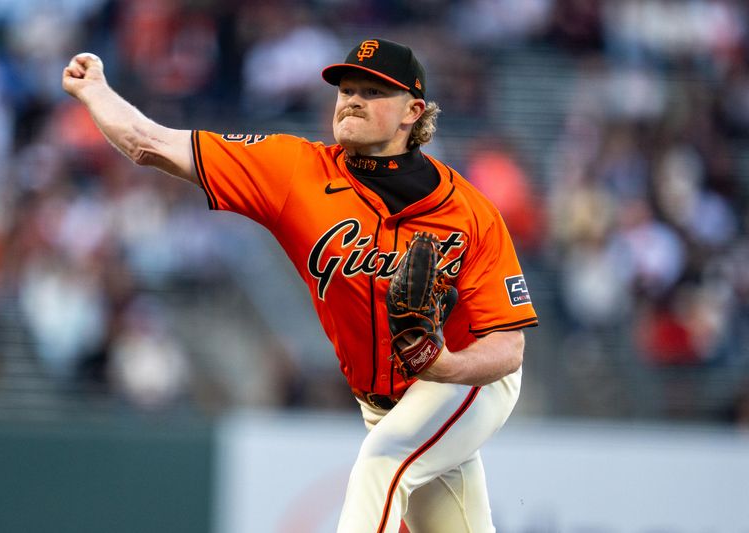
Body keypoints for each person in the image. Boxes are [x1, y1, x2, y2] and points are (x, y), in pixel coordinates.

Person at [62, 38, 538, 533]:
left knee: (383, 461)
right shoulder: (295, 171)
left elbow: (509, 346)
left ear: (412, 112)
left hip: (466, 382)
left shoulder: (470, 213)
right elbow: (150, 143)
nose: (351, 99)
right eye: (346, 88)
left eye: (373, 91)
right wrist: (96, 91)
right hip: (382, 401)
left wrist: (445, 365)